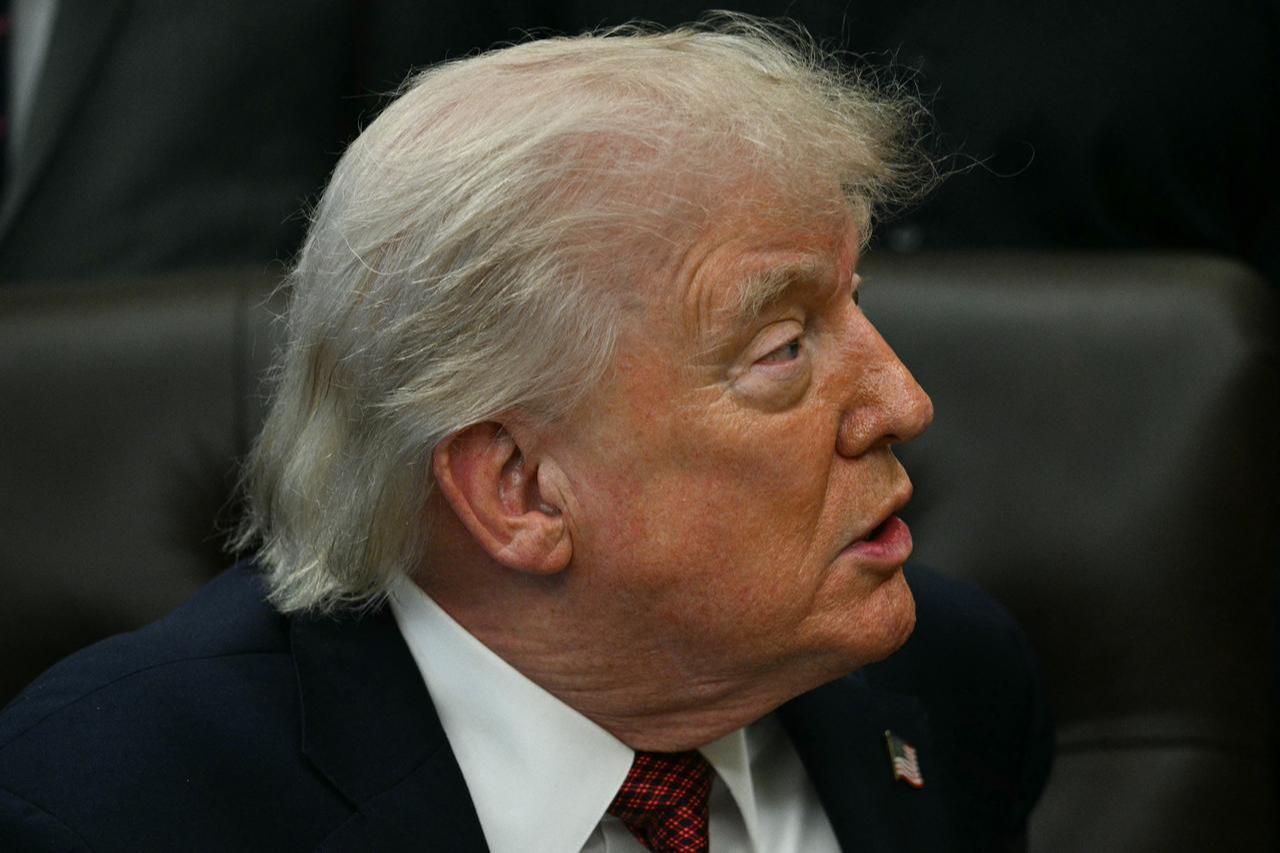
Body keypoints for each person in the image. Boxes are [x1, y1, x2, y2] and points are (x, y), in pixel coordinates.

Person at [0, 17, 1051, 852]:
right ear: (521, 489)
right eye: (782, 349)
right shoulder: (109, 806)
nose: (900, 400)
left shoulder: (950, 677)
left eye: (853, 304)